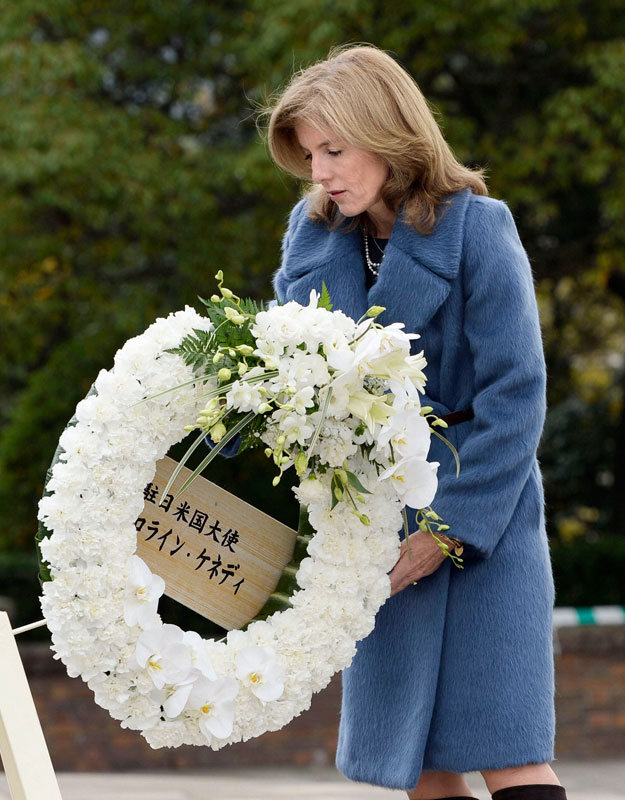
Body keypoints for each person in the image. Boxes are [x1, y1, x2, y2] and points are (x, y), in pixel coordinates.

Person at [261, 44, 568, 800]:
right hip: (375, 523)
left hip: (479, 516)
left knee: (511, 753)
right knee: (419, 766)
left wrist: (449, 529)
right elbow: (290, 381)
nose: (320, 171)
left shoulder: (478, 228)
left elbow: (516, 394)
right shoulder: (312, 237)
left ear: (387, 130)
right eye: (308, 155)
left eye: (334, 149)